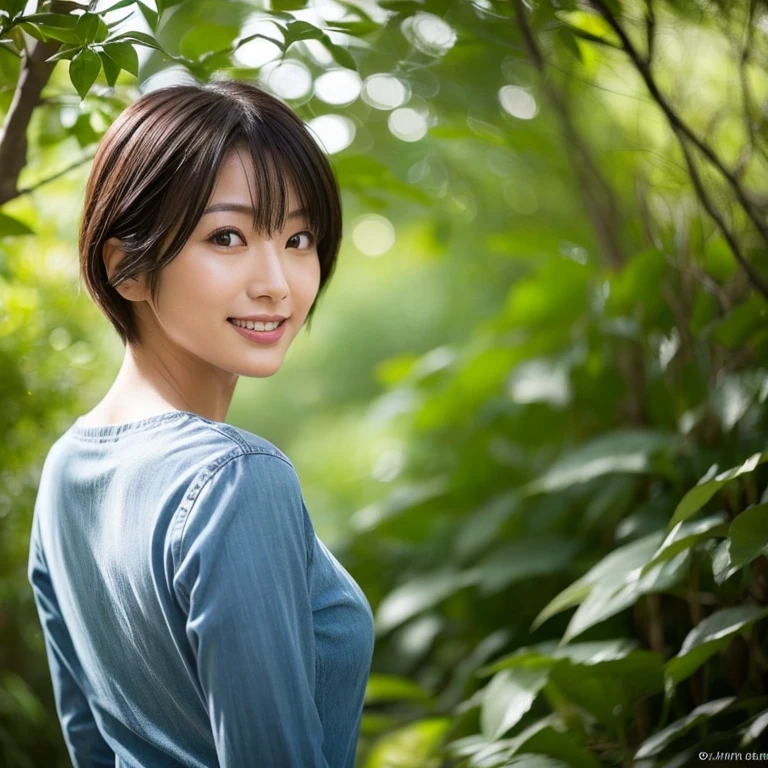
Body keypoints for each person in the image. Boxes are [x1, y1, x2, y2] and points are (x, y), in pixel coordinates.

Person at [26, 79, 375, 768]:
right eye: (227, 236)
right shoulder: (237, 479)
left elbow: (90, 749)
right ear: (127, 265)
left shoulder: (66, 469)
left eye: (298, 237)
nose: (277, 281)